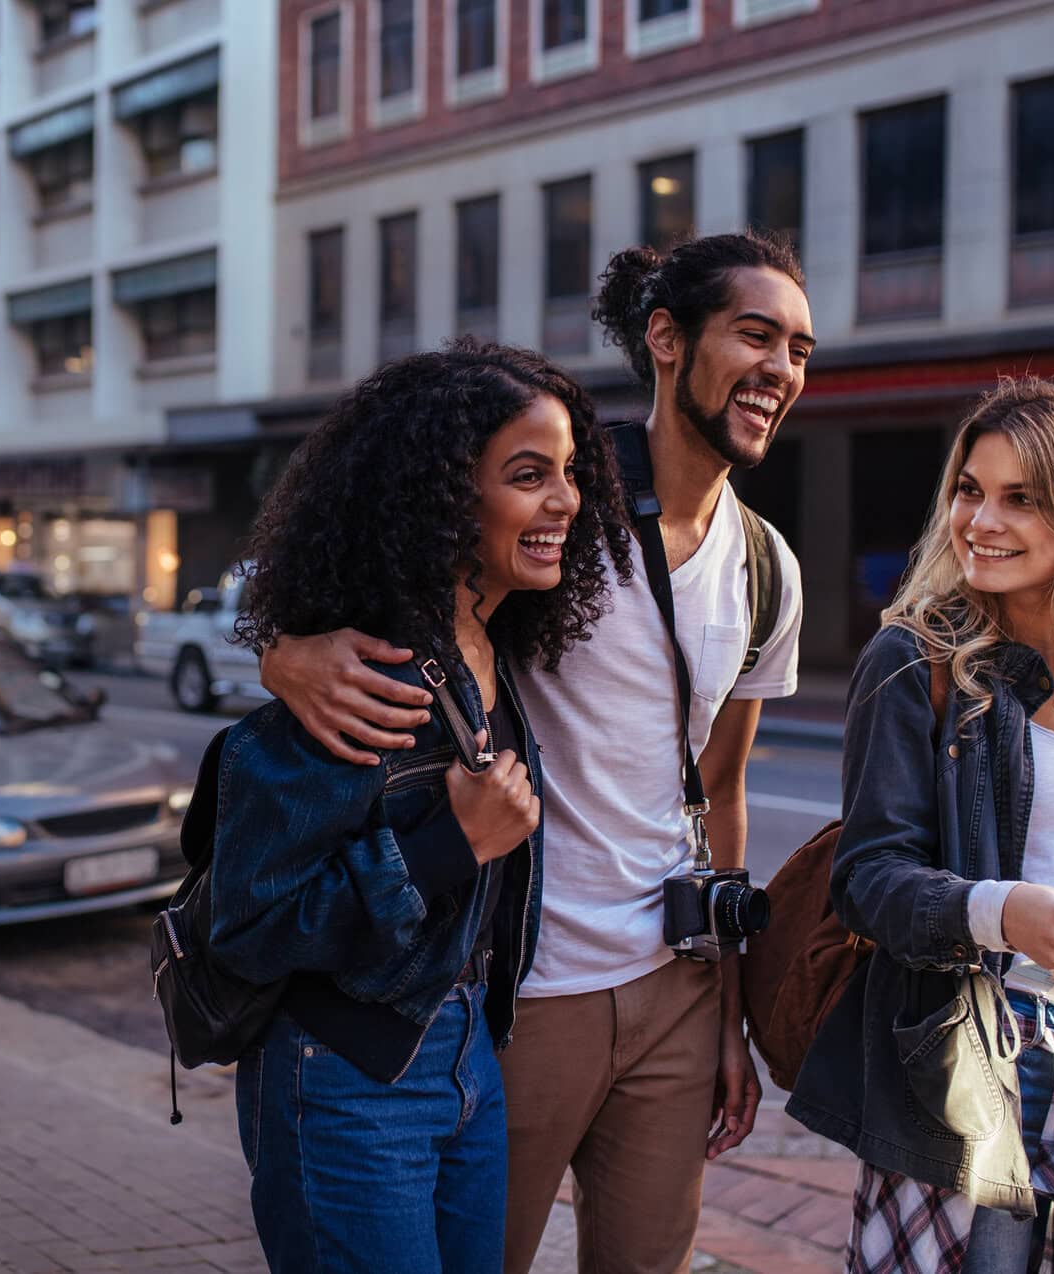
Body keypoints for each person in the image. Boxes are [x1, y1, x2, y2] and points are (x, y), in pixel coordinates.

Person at [260, 232, 814, 1274]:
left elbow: (724, 790)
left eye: (800, 347)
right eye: (755, 334)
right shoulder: (560, 500)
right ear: (666, 338)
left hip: (677, 989)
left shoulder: (768, 568)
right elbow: (375, 577)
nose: (782, 369)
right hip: (526, 987)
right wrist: (284, 651)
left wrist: (730, 1016)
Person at [208, 340, 635, 1274]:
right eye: (529, 475)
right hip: (350, 1073)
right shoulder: (363, 677)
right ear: (443, 500)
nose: (565, 500)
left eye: (568, 473)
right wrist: (447, 849)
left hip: (468, 1056)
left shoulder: (494, 648)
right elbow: (250, 925)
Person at [786, 377, 1054, 1272]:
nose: (980, 520)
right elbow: (868, 879)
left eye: (1021, 498)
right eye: (971, 490)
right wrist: (1002, 911)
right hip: (976, 1056)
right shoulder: (916, 659)